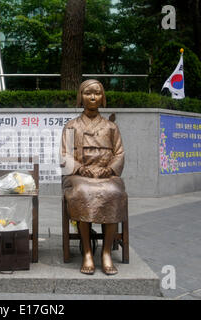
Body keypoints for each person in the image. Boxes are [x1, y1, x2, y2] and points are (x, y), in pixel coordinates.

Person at [60, 79, 128, 275]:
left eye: (97, 93)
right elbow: (65, 155)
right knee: (83, 192)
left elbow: (120, 154)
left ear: (102, 97)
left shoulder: (111, 127)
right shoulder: (71, 126)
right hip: (79, 175)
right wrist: (81, 169)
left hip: (107, 174)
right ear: (80, 97)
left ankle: (106, 252)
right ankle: (87, 253)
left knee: (114, 192)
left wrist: (108, 169)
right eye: (88, 93)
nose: (92, 97)